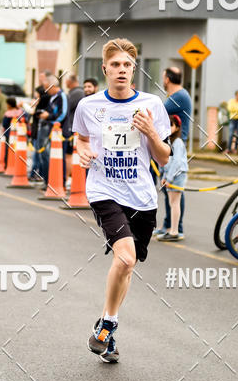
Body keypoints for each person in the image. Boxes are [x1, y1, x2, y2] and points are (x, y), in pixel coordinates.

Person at [73, 38, 171, 364]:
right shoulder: (88, 106)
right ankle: (109, 324)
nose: (121, 70)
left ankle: (106, 328)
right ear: (105, 69)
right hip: (104, 191)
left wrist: (152, 134)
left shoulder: (152, 105)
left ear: (134, 69)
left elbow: (164, 157)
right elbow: (81, 139)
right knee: (126, 258)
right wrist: (82, 151)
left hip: (142, 196)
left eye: (127, 65)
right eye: (115, 64)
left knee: (126, 267)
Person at [155, 67, 192, 239]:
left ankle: (177, 228)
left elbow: (158, 111)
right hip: (167, 145)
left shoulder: (180, 97)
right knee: (167, 190)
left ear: (167, 79)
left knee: (174, 190)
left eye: (163, 76)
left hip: (175, 147)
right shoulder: (176, 96)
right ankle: (168, 225)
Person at [157, 114, 188, 242]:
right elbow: (167, 161)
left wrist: (169, 179)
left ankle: (175, 231)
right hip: (171, 175)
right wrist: (165, 176)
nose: (168, 128)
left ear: (177, 127)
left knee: (174, 203)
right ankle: (172, 229)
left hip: (178, 176)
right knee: (172, 203)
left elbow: (176, 162)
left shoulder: (178, 142)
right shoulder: (169, 141)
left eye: (171, 125)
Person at [37, 75, 67, 187]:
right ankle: (47, 180)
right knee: (45, 155)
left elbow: (62, 114)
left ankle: (58, 182)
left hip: (57, 132)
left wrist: (49, 117)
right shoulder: (52, 97)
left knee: (56, 157)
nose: (46, 90)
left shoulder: (62, 96)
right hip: (48, 129)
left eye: (47, 87)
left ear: (53, 86)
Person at [29, 71, 52, 183]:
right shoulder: (44, 99)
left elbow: (36, 112)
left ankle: (37, 173)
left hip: (41, 128)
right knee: (38, 152)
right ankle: (38, 173)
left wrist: (31, 107)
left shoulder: (44, 99)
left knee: (39, 153)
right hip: (37, 128)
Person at [62, 73, 85, 184]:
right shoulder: (74, 92)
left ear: (71, 81)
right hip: (71, 127)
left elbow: (67, 108)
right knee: (69, 154)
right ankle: (68, 178)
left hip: (73, 128)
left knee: (69, 154)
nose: (65, 83)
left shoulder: (77, 93)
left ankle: (69, 178)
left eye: (66, 80)